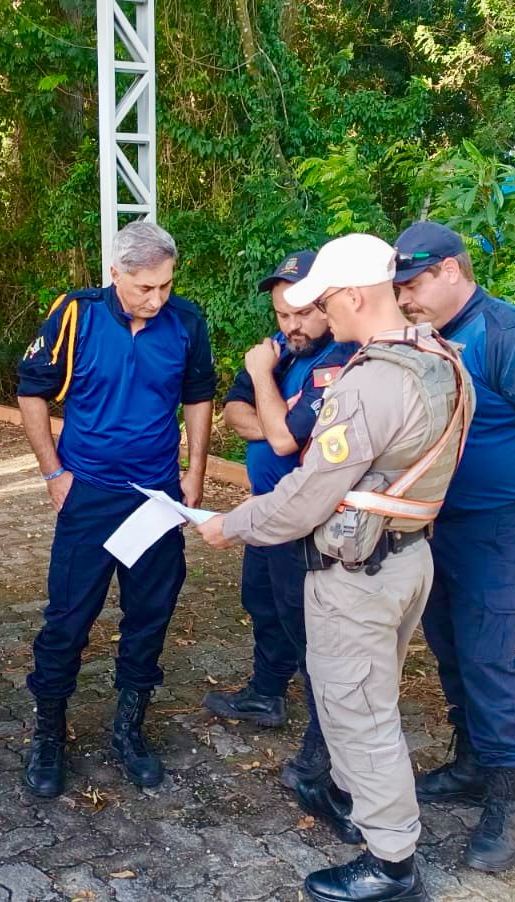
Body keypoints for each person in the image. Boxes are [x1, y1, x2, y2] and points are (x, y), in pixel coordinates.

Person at [199, 232, 474, 902]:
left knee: (360, 713)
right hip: (408, 555)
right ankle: (371, 814)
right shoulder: (439, 356)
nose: (322, 315)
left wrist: (227, 525)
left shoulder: (370, 383)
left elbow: (305, 499)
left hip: (358, 574)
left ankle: (391, 864)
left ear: (353, 295)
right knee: (367, 700)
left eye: (324, 300)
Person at [391, 220, 515, 873]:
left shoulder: (511, 337)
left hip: (497, 528)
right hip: (435, 523)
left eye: (413, 284)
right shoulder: (429, 336)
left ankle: (508, 802)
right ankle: (471, 762)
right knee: (448, 645)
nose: (405, 298)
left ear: (451, 269)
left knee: (487, 659)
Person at [16, 219, 216, 798]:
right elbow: (31, 390)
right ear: (115, 273)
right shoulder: (76, 314)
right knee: (67, 620)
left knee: (149, 617)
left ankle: (129, 728)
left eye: (166, 286)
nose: (157, 299)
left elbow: (198, 395)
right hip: (90, 496)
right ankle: (48, 731)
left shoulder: (187, 321)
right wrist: (54, 473)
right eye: (144, 288)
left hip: (155, 497)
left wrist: (194, 473)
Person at [203, 250, 359, 815]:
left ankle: (324, 743)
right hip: (266, 511)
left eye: (301, 314)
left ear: (327, 305)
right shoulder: (280, 350)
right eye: (281, 315)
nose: (290, 326)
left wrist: (266, 386)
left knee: (308, 628)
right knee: (263, 603)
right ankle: (266, 694)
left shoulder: (343, 359)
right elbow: (234, 413)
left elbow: (286, 440)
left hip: (308, 520)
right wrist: (270, 406)